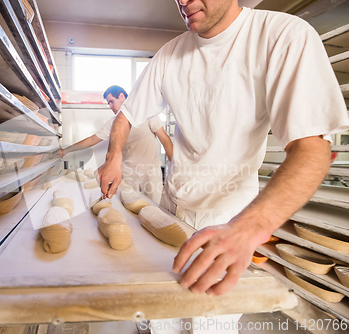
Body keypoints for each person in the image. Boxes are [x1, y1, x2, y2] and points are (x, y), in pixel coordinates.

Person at [98, 0, 349, 298]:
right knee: (162, 307)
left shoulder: (281, 35)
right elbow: (126, 116)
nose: (183, 1)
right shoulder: (169, 54)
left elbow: (312, 150)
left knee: (207, 318)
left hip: (229, 217)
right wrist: (113, 157)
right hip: (172, 204)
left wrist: (247, 229)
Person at [60, 85, 173, 203]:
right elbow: (92, 140)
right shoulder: (112, 124)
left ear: (122, 96)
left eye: (111, 102)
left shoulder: (147, 116)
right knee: (131, 209)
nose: (110, 106)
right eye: (108, 103)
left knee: (155, 209)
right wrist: (65, 150)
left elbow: (165, 140)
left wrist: (175, 168)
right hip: (128, 174)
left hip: (151, 173)